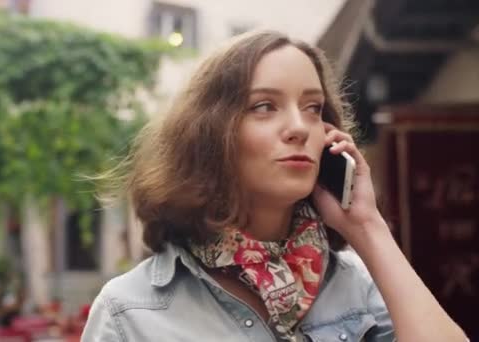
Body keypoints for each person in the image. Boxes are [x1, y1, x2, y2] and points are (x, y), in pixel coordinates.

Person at [81, 30, 468, 341]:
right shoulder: (128, 313)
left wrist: (366, 226)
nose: (299, 127)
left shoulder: (354, 284)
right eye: (264, 106)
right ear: (210, 135)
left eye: (313, 108)